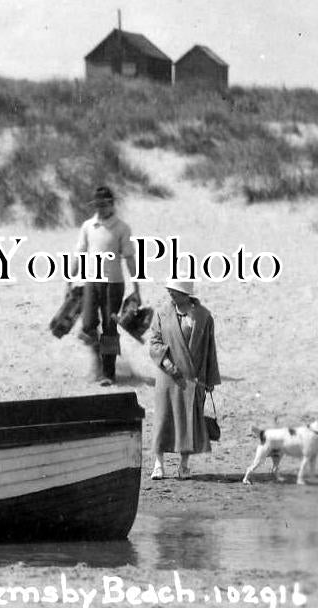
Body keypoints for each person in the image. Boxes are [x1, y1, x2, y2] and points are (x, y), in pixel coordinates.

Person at [147, 279, 220, 480]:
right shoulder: (162, 313)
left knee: (188, 421)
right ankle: (158, 465)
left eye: (175, 291)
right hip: (167, 377)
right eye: (170, 290)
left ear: (186, 294)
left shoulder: (204, 317)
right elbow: (154, 343)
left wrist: (210, 378)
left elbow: (209, 350)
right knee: (163, 419)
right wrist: (167, 363)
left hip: (192, 379)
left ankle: (184, 465)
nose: (171, 293)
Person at [70, 185, 140, 386]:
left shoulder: (122, 228)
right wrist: (70, 278)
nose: (99, 208)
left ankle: (108, 373)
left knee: (110, 328)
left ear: (111, 203)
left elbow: (129, 258)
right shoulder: (87, 226)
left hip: (114, 284)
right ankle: (98, 361)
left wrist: (136, 288)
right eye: (97, 205)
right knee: (87, 325)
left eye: (103, 204)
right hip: (91, 282)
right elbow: (79, 252)